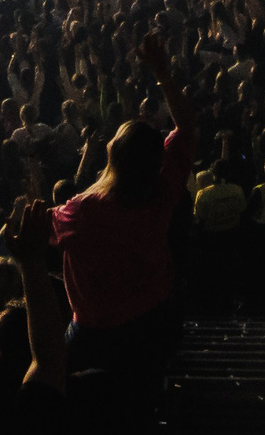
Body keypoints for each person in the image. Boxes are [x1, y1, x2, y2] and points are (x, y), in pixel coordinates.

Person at [51, 31, 197, 383]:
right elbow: (188, 128)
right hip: (155, 320)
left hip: (96, 336)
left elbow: (30, 232)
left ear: (112, 155)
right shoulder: (163, 189)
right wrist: (163, 73)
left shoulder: (82, 210)